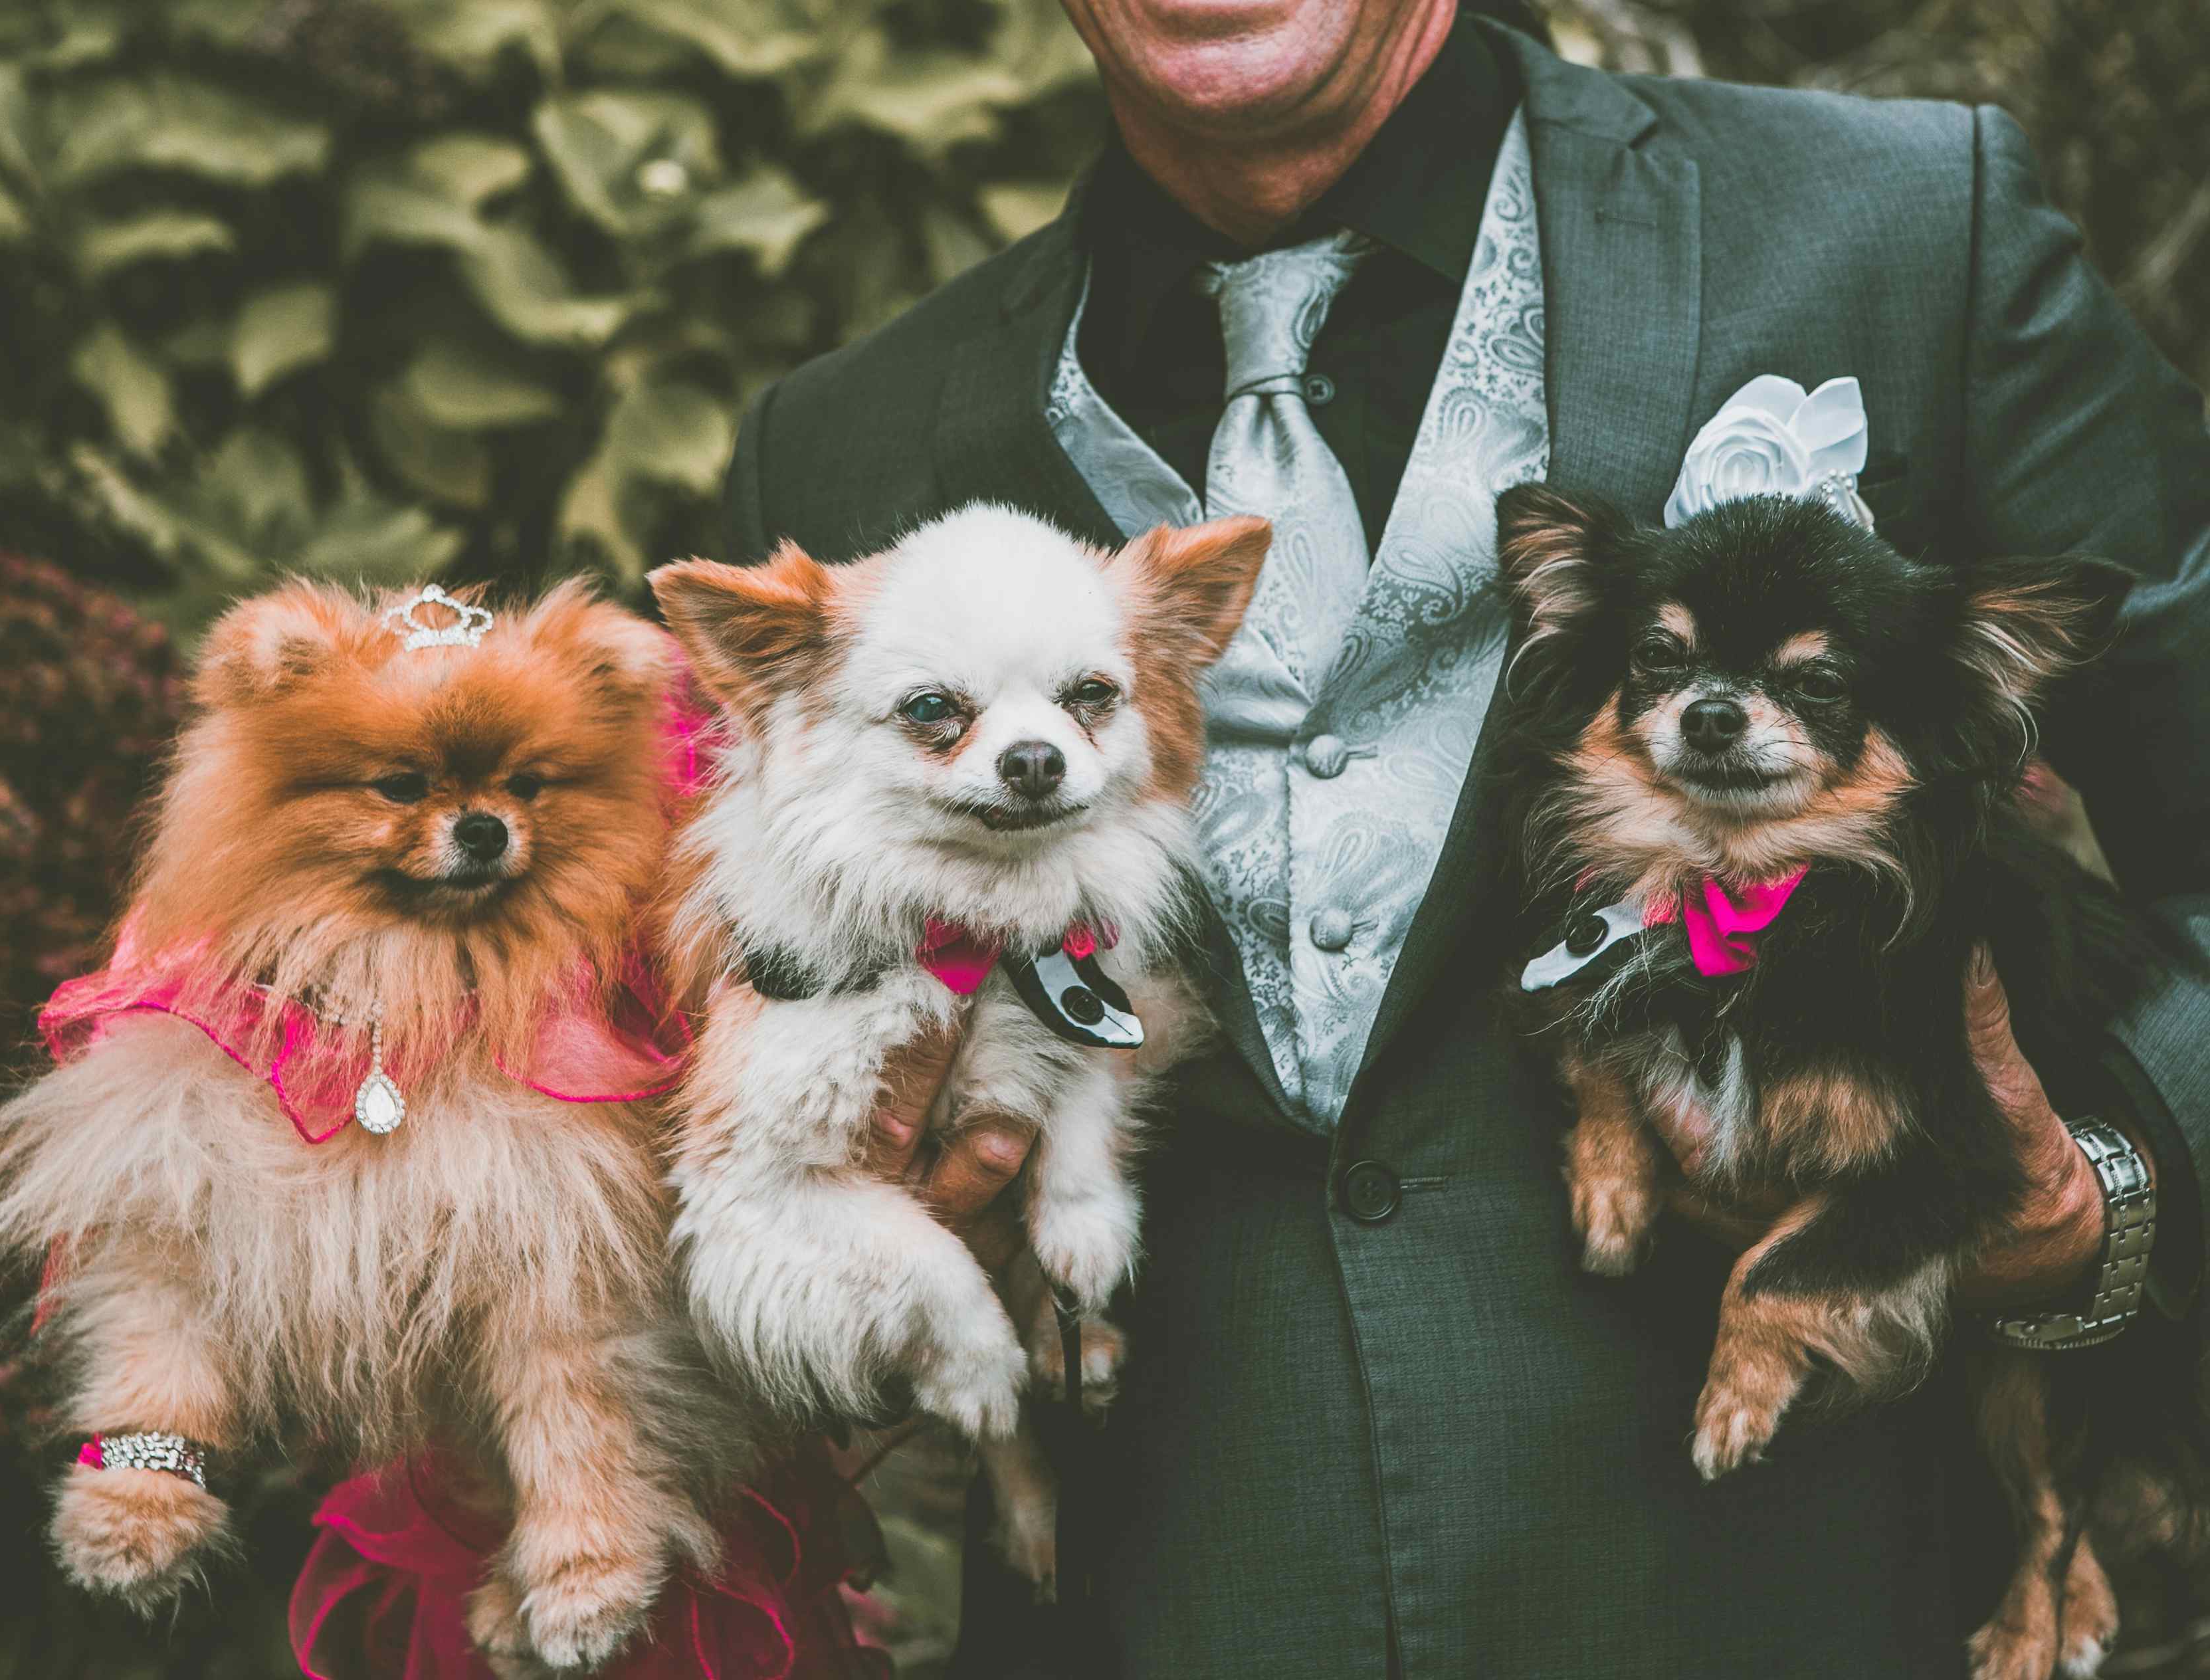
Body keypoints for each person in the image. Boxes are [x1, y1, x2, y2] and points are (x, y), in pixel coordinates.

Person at [714, 0, 2210, 1672]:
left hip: (1779, 1599)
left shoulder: (1911, 229)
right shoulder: (838, 443)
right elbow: (722, 1083)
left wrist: (2104, 1201)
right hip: (1169, 1607)